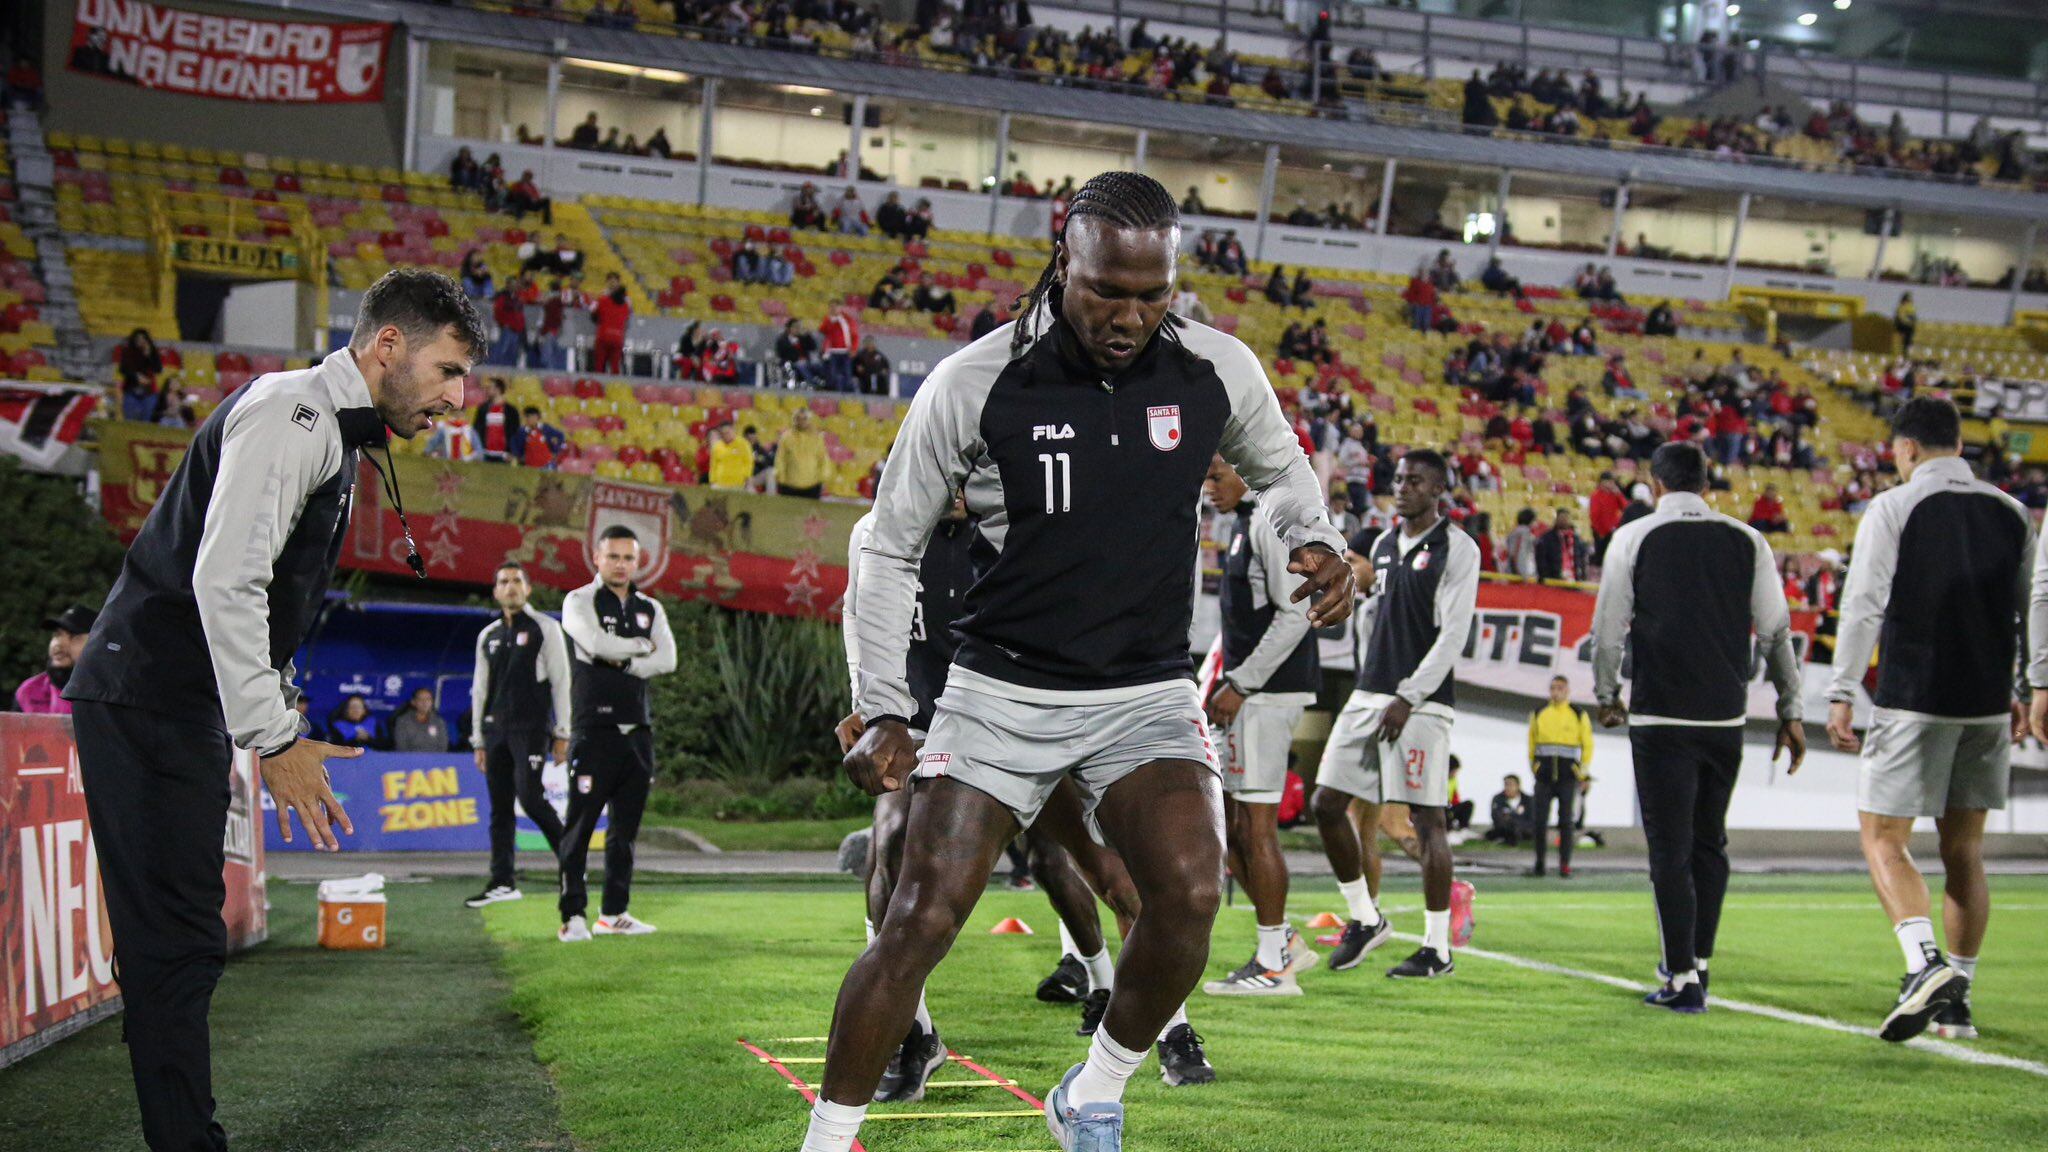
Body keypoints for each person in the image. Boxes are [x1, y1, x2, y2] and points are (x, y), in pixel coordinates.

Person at [807, 172, 1351, 1152]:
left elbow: (1279, 477)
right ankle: (827, 1138)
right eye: (1108, 290)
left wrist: (1311, 537)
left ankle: (1092, 1090)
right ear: (1064, 262)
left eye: (1153, 295)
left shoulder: (1214, 369)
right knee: (919, 917)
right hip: (1000, 688)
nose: (1129, 316)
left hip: (1143, 690)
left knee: (1187, 895)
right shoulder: (975, 380)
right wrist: (882, 704)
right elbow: (886, 543)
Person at [64, 269, 482, 1150]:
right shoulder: (292, 413)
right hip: (148, 697)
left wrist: (269, 707)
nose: (458, 396)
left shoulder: (328, 429)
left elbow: (261, 598)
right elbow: (226, 580)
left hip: (174, 704)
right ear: (389, 346)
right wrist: (276, 735)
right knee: (174, 942)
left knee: (171, 942)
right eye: (448, 370)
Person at [1831, 397, 2029, 1042]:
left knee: (1883, 837)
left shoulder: (1894, 506)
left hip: (1916, 694)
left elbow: (1863, 603)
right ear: (1960, 444)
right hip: (1989, 701)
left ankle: (1923, 968)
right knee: (1964, 850)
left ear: (1905, 448)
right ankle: (1959, 1001)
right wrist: (2029, 686)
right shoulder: (2012, 511)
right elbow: (2034, 606)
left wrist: (1841, 689)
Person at [1594, 442, 1804, 1015]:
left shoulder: (1635, 537)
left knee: (1670, 849)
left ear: (1655, 485)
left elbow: (1609, 628)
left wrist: (1609, 695)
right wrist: (1791, 710)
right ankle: (1700, 964)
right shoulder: (1747, 539)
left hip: (1663, 716)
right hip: (1725, 719)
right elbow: (1776, 633)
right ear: (1706, 483)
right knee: (1711, 844)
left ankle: (1681, 976)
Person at [1312, 450, 1479, 979]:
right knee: (1325, 803)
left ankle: (1437, 949)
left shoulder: (1457, 547)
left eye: (1415, 481)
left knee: (1428, 820)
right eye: (1399, 479)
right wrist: (1370, 679)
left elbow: (1454, 634)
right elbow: (1370, 618)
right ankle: (1365, 917)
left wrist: (1409, 694)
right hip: (1370, 694)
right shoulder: (1382, 545)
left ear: (1438, 491)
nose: (1401, 487)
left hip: (1423, 705)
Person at [1200, 456, 1321, 997]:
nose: (1209, 488)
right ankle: (1283, 941)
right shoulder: (1245, 527)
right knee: (1229, 827)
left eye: (1217, 476)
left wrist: (1242, 683)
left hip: (1267, 696)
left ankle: (1275, 963)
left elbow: (1296, 610)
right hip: (1250, 692)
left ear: (1246, 473)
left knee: (1255, 826)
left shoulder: (1270, 526)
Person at [556, 526, 677, 941]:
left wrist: (622, 657)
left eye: (628, 557)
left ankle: (614, 913)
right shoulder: (579, 600)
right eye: (613, 556)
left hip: (637, 731)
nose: (621, 564)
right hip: (594, 728)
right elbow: (592, 642)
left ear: (637, 561)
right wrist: (642, 648)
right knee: (580, 827)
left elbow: (669, 659)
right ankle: (572, 916)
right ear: (597, 557)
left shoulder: (650, 608)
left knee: (624, 833)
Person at [1525, 675, 1593, 878]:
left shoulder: (1578, 714)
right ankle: (1539, 864)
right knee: (1539, 822)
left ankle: (1565, 865)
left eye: (1560, 688)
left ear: (1567, 691)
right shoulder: (1539, 713)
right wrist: (1535, 768)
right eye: (1553, 688)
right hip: (1543, 777)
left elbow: (1588, 745)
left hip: (1567, 777)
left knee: (1566, 822)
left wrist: (1582, 772)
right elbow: (1531, 743)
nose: (1556, 692)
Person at [13, 605, 95, 714]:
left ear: (97, 643)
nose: (59, 644)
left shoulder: (109, 692)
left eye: (74, 637)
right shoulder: (28, 691)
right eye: (57, 634)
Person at [776, 407, 829, 498]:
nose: (801, 421)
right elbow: (780, 459)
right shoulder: (786, 437)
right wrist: (781, 478)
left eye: (804, 419)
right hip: (789, 486)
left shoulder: (817, 438)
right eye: (798, 418)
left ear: (809, 420)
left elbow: (823, 459)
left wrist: (823, 478)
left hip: (812, 486)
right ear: (794, 420)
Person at [118, 329, 164, 422]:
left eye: (143, 339)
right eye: (138, 339)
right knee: (129, 420)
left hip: (149, 392)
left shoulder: (153, 352)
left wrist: (148, 355)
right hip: (131, 390)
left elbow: (158, 369)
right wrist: (136, 376)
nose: (141, 341)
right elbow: (123, 369)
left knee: (146, 421)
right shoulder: (127, 351)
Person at [589, 272, 631, 374]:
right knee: (615, 367)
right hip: (618, 338)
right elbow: (627, 319)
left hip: (603, 336)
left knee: (599, 365)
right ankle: (615, 388)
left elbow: (593, 312)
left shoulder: (603, 300)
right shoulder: (626, 305)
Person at [474, 376, 522, 463]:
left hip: (504, 456)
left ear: (498, 389)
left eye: (489, 387)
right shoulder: (482, 409)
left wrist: (512, 452)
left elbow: (515, 432)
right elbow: (477, 430)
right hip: (485, 454)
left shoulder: (511, 411)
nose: (486, 390)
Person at [390, 686, 451, 752]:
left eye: (428, 699)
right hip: (410, 760)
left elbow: (443, 746)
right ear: (413, 702)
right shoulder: (402, 721)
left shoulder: (439, 721)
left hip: (434, 760)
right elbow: (401, 747)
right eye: (420, 699)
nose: (425, 703)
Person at [1535, 507, 1588, 581]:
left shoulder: (1577, 539)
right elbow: (1542, 559)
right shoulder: (1546, 538)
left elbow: (1582, 558)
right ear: (1556, 519)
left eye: (1566, 518)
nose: (1564, 520)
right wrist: (1545, 576)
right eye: (1561, 517)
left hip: (1575, 579)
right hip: (1554, 580)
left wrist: (1583, 576)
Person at [821, 304, 861, 393]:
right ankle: (832, 390)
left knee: (847, 373)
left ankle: (848, 391)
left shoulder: (847, 321)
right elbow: (824, 333)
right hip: (832, 351)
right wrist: (826, 351)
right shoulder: (828, 320)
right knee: (832, 372)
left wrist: (853, 349)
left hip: (845, 351)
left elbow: (854, 336)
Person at [1486, 775, 1532, 845]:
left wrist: (1513, 819)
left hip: (1523, 829)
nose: (1508, 788)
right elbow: (1496, 816)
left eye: (1511, 785)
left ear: (1518, 786)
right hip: (1505, 828)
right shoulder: (1498, 799)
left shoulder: (1528, 800)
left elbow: (1531, 818)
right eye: (1506, 785)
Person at [708, 422, 754, 489]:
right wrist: (712, 481)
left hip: (738, 483)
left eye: (727, 432)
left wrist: (747, 478)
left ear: (733, 431)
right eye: (723, 433)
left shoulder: (743, 444)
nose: (725, 435)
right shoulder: (717, 447)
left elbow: (748, 462)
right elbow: (713, 465)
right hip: (720, 483)